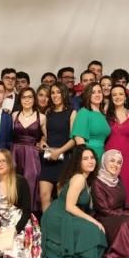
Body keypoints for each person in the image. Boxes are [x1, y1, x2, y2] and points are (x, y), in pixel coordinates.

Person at [41, 146, 107, 258]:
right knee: (93, 229)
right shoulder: (79, 178)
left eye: (92, 158)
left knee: (94, 229)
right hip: (58, 216)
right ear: (79, 162)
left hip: (66, 214)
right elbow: (70, 206)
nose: (90, 161)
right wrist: (94, 221)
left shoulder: (87, 179)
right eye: (85, 159)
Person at [0, 149, 41, 258]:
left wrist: (16, 229)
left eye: (3, 161)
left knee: (15, 249)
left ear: (10, 163)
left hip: (17, 219)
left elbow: (27, 210)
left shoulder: (21, 181)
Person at [41, 83, 77, 211]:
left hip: (65, 158)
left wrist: (59, 151)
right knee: (44, 196)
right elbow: (44, 135)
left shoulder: (72, 113)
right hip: (48, 158)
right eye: (53, 93)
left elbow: (74, 139)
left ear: (64, 94)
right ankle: (46, 228)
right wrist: (42, 141)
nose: (55, 95)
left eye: (58, 92)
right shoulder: (48, 112)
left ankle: (60, 228)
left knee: (61, 197)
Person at [11, 87, 46, 211]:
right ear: (20, 99)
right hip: (15, 153)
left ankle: (30, 216)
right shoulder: (14, 115)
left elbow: (45, 137)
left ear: (34, 99)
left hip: (32, 155)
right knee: (14, 184)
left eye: (30, 97)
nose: (27, 100)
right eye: (24, 97)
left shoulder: (41, 117)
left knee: (30, 182)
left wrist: (42, 142)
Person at [104, 85, 129, 206]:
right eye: (114, 95)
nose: (118, 97)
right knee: (110, 186)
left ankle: (126, 217)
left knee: (126, 184)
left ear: (126, 96)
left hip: (127, 156)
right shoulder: (106, 114)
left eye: (120, 94)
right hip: (109, 155)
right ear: (111, 98)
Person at [71, 83, 111, 163]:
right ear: (88, 95)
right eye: (93, 92)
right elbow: (79, 139)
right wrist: (88, 159)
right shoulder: (84, 112)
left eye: (99, 92)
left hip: (101, 154)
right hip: (89, 156)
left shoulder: (102, 115)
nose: (97, 95)